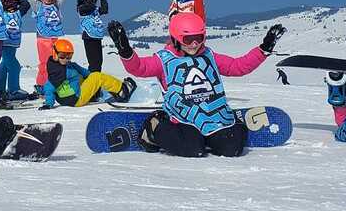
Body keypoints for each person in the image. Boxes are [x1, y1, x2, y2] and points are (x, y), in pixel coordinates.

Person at [107, 13, 285, 157]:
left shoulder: (209, 56)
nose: (194, 44)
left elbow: (239, 67)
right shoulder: (163, 60)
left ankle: (223, 130)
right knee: (192, 149)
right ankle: (154, 128)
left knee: (232, 149)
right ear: (176, 38)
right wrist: (125, 50)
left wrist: (264, 49)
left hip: (213, 117)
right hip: (183, 119)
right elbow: (139, 68)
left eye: (198, 38)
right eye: (188, 39)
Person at [39, 38, 135, 109]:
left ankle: (101, 91)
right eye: (62, 56)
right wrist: (48, 104)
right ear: (55, 53)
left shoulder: (66, 66)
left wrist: (92, 82)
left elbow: (86, 73)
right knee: (97, 77)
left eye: (69, 56)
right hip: (76, 99)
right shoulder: (58, 72)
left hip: (69, 98)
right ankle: (122, 91)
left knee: (83, 74)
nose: (66, 59)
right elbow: (49, 88)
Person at [28, 0, 66, 92]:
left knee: (56, 62)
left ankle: (54, 84)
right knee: (45, 63)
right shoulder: (38, 6)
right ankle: (41, 85)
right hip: (43, 39)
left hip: (54, 37)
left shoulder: (56, 5)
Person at [0, 0, 33, 100]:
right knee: (14, 66)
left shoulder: (18, 13)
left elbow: (26, 4)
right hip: (5, 43)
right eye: (8, 4)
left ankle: (0, 89)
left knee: (4, 65)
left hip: (13, 44)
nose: (11, 7)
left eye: (13, 3)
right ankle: (14, 89)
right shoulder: (0, 13)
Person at [77, 0, 108, 72]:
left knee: (99, 62)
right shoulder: (81, 8)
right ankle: (92, 81)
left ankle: (95, 80)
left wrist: (103, 0)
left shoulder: (95, 8)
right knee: (93, 62)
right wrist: (83, 0)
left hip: (97, 36)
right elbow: (88, 7)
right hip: (88, 36)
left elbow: (104, 10)